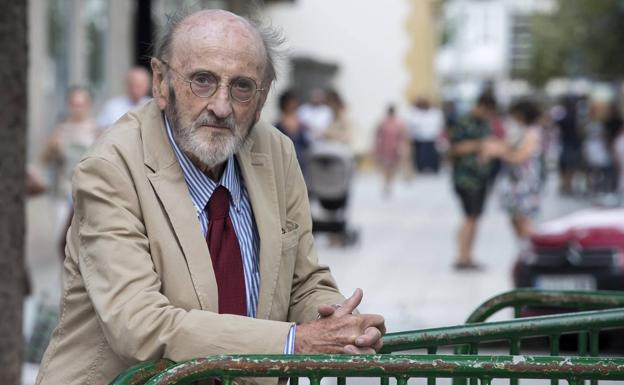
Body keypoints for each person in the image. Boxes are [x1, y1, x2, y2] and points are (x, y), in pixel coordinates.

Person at [36, 10, 385, 385]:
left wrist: (335, 323)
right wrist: (293, 342)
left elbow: (302, 278)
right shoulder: (110, 168)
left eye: (241, 87)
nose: (221, 106)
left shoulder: (277, 153)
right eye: (202, 81)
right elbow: (139, 324)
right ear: (160, 81)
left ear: (264, 93)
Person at [447, 93, 497, 270]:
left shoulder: (484, 124)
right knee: (469, 217)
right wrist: (479, 145)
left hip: (480, 177)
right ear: (482, 106)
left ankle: (468, 256)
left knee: (474, 218)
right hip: (466, 179)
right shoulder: (463, 122)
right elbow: (453, 149)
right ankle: (462, 256)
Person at [481, 99, 544, 239]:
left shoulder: (532, 132)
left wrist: (498, 153)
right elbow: (507, 146)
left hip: (524, 181)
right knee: (515, 218)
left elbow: (520, 157)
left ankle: (535, 249)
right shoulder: (522, 131)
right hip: (515, 181)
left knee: (523, 220)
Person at [42, 86, 99, 198]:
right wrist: (52, 146)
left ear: (89, 105)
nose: (78, 109)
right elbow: (44, 160)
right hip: (64, 191)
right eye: (74, 104)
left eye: (81, 105)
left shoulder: (96, 131)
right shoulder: (60, 130)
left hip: (88, 190)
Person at [274, 89, 310, 178]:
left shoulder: (301, 125)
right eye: (291, 103)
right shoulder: (277, 126)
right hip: (284, 167)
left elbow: (306, 144)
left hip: (301, 167)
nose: (294, 106)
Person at [375, 104, 407, 196]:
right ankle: (385, 184)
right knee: (385, 167)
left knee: (393, 168)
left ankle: (390, 184)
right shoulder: (382, 123)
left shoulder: (399, 123)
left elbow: (403, 136)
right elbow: (378, 135)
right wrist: (377, 148)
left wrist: (404, 147)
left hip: (395, 149)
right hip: (385, 148)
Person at [406, 97, 444, 174]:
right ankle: (420, 168)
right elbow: (411, 125)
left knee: (433, 155)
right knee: (420, 155)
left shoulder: (435, 113)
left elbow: (439, 125)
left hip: (432, 138)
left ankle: (433, 168)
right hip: (419, 139)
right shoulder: (414, 113)